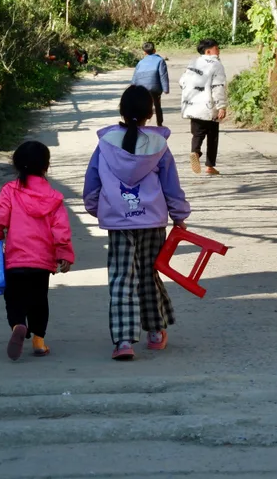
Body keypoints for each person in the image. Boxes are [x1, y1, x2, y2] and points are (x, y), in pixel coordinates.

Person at [83, 85, 191, 361]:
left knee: (121, 277)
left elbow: (92, 182)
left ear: (122, 111)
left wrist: (98, 209)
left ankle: (123, 340)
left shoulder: (106, 144)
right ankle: (154, 332)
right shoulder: (158, 145)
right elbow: (171, 186)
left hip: (119, 223)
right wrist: (179, 216)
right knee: (148, 274)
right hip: (152, 221)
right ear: (150, 113)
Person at [0, 141, 75, 360]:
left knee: (14, 297)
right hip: (41, 260)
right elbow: (61, 229)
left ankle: (18, 324)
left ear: (16, 164)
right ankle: (39, 341)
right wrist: (64, 253)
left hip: (15, 258)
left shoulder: (10, 191)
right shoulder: (54, 197)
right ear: (46, 166)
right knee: (39, 299)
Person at [179, 38, 228, 176]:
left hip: (192, 106)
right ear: (208, 51)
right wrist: (221, 106)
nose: (219, 51)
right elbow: (218, 86)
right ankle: (210, 166)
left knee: (197, 134)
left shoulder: (193, 63)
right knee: (212, 137)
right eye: (216, 48)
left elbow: (182, 81)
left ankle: (195, 152)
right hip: (209, 107)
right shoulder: (216, 65)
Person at [130, 42, 170, 127]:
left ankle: (140, 123)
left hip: (141, 88)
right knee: (157, 105)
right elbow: (163, 75)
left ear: (144, 52)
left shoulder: (140, 62)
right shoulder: (160, 60)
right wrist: (166, 89)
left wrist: (132, 88)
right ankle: (159, 123)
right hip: (154, 88)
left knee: (141, 106)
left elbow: (135, 76)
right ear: (154, 50)